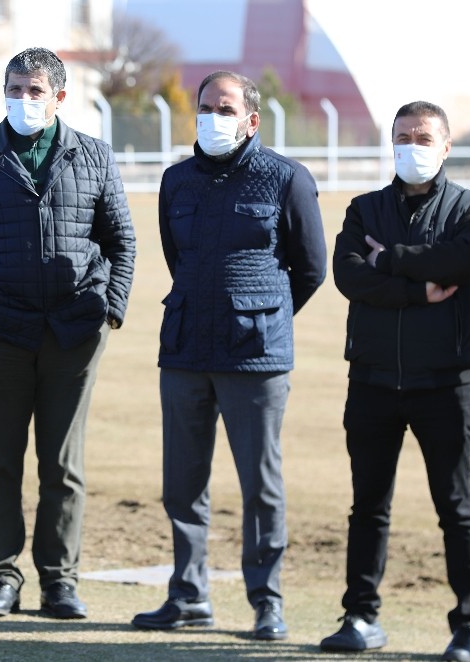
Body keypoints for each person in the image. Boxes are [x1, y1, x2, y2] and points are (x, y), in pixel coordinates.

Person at [130, 70, 326, 641]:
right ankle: (189, 595)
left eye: (225, 109)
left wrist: (264, 316)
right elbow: (178, 257)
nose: (212, 117)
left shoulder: (287, 178)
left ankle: (267, 602)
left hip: (255, 356)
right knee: (182, 482)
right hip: (186, 346)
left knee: (260, 484)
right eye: (205, 107)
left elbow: (310, 268)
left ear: (251, 120)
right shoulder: (176, 181)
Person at [0, 47, 135, 621]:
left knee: (63, 465)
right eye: (14, 89)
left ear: (59, 97)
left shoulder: (94, 155)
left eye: (34, 91)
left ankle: (59, 581)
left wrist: (111, 310)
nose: (23, 100)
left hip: (74, 332)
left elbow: (121, 240)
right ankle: (1, 577)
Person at [320, 101, 470, 660]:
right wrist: (418, 288)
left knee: (455, 506)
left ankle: (468, 625)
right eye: (402, 137)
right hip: (372, 380)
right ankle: (360, 615)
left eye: (423, 138)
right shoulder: (364, 208)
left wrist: (388, 259)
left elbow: (459, 263)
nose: (411, 147)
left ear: (446, 146)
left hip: (444, 383)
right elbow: (349, 275)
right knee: (368, 505)